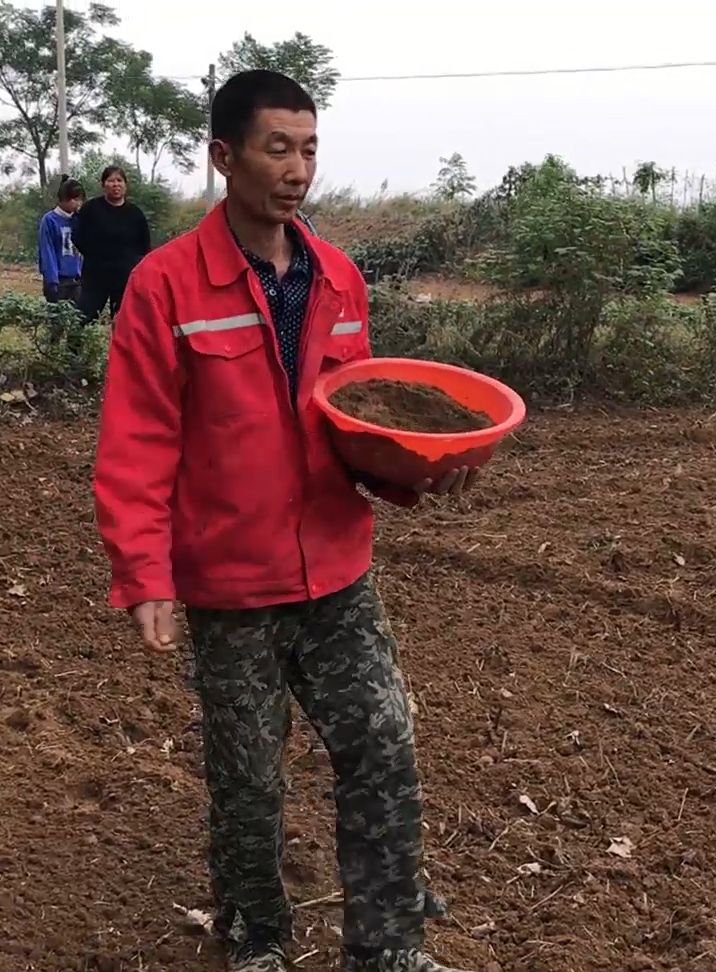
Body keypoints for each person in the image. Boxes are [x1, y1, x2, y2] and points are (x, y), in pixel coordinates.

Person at [93, 69, 476, 972]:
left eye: (308, 148)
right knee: (248, 781)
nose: (297, 168)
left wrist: (416, 472)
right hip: (231, 585)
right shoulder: (165, 287)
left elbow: (359, 419)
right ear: (224, 156)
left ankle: (387, 947)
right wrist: (143, 572)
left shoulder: (338, 277)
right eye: (277, 147)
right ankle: (258, 940)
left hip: (337, 571)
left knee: (381, 743)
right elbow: (138, 437)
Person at [71, 165, 150, 322]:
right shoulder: (91, 209)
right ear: (103, 185)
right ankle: (75, 347)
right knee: (83, 318)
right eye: (111, 181)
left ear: (125, 185)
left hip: (125, 277)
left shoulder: (135, 214)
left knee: (124, 322)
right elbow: (77, 236)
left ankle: (120, 347)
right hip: (95, 275)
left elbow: (144, 245)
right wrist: (94, 254)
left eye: (119, 180)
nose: (116, 185)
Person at [38, 177, 85, 304]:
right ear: (64, 199)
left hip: (77, 280)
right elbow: (47, 251)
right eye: (75, 199)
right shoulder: (49, 220)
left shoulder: (78, 220)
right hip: (59, 281)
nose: (78, 203)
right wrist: (52, 280)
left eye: (80, 200)